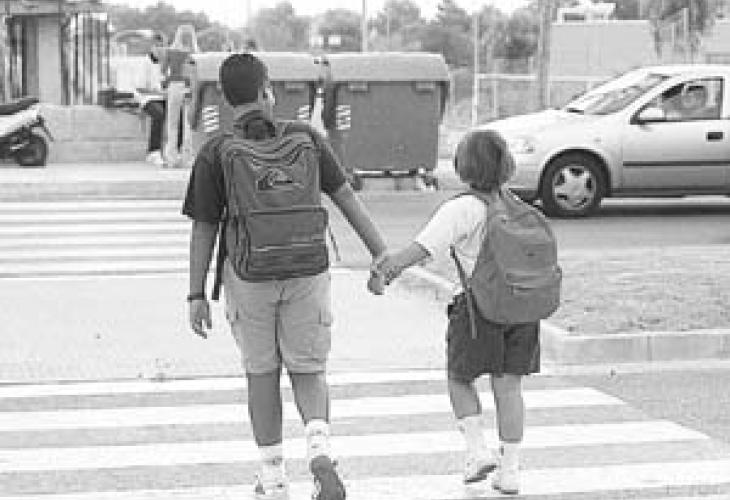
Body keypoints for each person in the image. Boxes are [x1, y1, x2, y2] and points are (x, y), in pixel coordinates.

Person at [183, 53, 387, 500]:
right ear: (266, 91)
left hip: (248, 277)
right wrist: (380, 253)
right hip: (307, 272)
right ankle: (319, 449)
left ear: (225, 99)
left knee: (261, 373)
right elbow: (345, 197)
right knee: (309, 369)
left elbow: (204, 227)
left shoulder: (215, 152)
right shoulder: (306, 138)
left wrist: (196, 294)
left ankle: (273, 474)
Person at [373, 130, 542, 495]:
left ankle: (477, 451)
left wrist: (387, 270)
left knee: (459, 377)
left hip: (478, 309)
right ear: (506, 166)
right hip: (523, 308)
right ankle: (510, 471)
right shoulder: (517, 206)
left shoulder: (461, 208)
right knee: (509, 387)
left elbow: (422, 248)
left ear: (464, 167)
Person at [161, 24, 198, 168]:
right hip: (189, 87)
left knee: (172, 123)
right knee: (188, 124)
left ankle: (171, 157)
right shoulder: (195, 53)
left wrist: (165, 84)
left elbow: (163, 71)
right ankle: (187, 158)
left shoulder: (170, 52)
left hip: (174, 86)